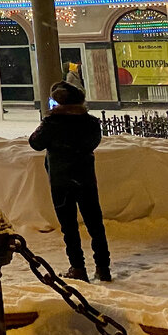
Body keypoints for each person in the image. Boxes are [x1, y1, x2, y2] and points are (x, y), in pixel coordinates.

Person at [29, 81, 110, 282]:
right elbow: (93, 142)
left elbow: (35, 143)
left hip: (61, 182)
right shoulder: (90, 122)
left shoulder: (52, 124)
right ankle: (103, 267)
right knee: (95, 224)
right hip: (86, 179)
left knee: (69, 227)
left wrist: (47, 122)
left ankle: (78, 267)